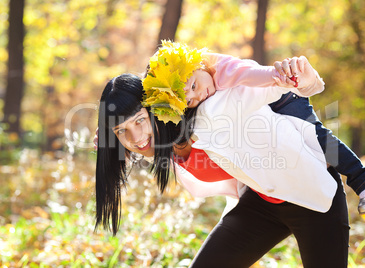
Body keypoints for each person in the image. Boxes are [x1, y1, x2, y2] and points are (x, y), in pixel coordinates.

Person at [95, 68, 350, 267]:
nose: (136, 137)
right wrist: (112, 140)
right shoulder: (156, 140)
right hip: (261, 205)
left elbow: (271, 87)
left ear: (157, 108)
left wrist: (302, 77)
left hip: (312, 197)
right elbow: (135, 142)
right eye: (122, 130)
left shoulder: (212, 110)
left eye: (140, 120)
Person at [142, 40, 365, 215]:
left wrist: (279, 77)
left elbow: (252, 75)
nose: (199, 95)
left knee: (318, 136)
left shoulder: (222, 68)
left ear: (197, 66)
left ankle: (364, 182)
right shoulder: (199, 99)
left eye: (194, 85)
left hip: (283, 98)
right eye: (191, 101)